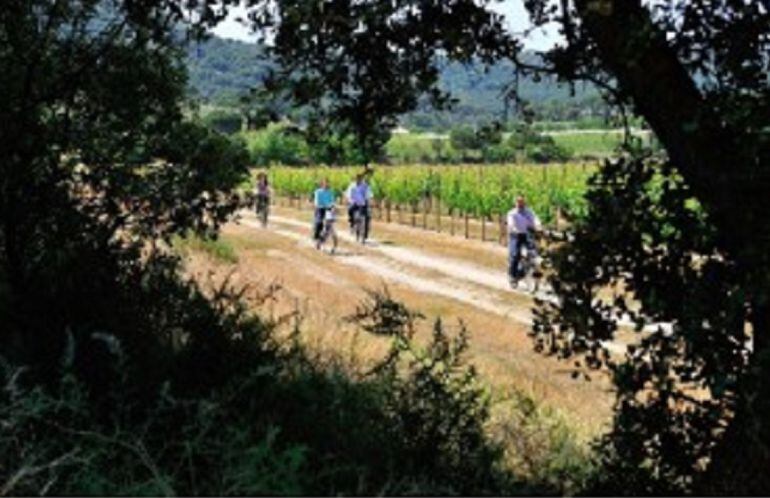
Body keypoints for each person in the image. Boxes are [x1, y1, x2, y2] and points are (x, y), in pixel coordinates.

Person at [506, 196, 540, 287]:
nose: (520, 204)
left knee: (534, 252)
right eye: (518, 202)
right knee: (515, 255)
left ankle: (526, 270)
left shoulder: (529, 212)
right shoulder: (512, 213)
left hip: (527, 234)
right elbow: (511, 223)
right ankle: (512, 276)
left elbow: (535, 219)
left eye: (522, 202)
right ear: (515, 203)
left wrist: (538, 226)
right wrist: (513, 228)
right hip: (515, 235)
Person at [349, 173, 373, 242]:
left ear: (361, 179)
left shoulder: (365, 186)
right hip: (355, 203)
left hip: (363, 203)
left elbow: (369, 194)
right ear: (355, 179)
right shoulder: (352, 186)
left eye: (360, 179)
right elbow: (349, 195)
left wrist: (369, 199)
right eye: (357, 179)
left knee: (367, 217)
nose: (358, 180)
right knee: (349, 210)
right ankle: (352, 223)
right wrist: (351, 200)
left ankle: (364, 234)